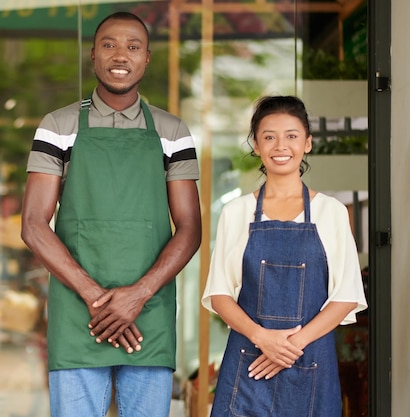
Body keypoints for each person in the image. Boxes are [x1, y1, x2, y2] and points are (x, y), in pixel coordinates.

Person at [21, 11, 202, 417]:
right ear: (93, 55)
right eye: (109, 44)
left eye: (133, 46)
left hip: (149, 310)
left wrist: (137, 296)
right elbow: (33, 226)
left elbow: (190, 229)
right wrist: (97, 298)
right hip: (78, 309)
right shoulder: (58, 126)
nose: (121, 55)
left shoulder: (172, 132)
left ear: (147, 58)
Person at [201, 95, 368, 416]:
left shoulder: (330, 212)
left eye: (291, 136)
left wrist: (289, 346)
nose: (281, 146)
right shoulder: (237, 212)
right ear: (256, 145)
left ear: (307, 143)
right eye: (269, 137)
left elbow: (346, 296)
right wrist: (262, 338)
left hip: (310, 357)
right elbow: (219, 293)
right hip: (249, 359)